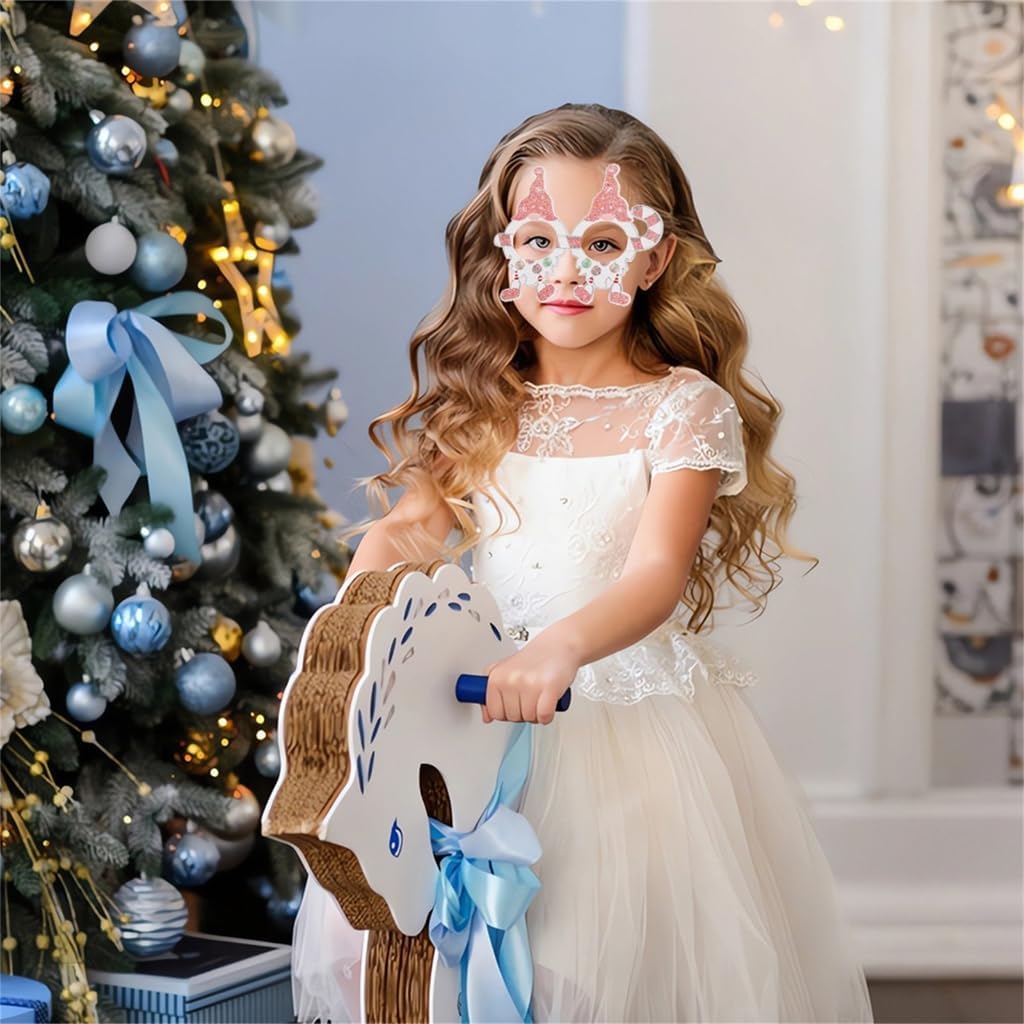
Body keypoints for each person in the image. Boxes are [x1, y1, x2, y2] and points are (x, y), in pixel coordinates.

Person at [290, 102, 874, 1023]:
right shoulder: (482, 396)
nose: (566, 271)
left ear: (655, 259)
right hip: (467, 712)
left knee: (586, 962)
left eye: (602, 243)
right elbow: (409, 531)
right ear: (501, 256)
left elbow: (655, 572)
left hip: (611, 718)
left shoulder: (681, 409)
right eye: (538, 241)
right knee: (411, 950)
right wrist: (356, 635)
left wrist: (560, 647)